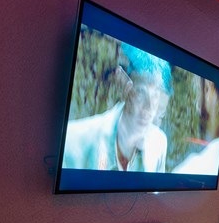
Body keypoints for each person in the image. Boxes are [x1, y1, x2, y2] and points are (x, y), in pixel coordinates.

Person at [62, 42, 171, 172]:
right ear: (125, 87)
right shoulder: (71, 141)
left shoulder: (159, 143)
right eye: (141, 93)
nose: (149, 109)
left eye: (155, 97)